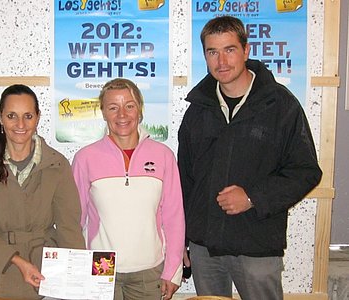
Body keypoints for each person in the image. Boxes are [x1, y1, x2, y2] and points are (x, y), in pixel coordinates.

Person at [177, 16, 322, 300]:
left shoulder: (280, 104)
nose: (221, 61)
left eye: (229, 49)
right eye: (212, 52)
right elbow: (185, 179)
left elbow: (305, 171)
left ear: (246, 50)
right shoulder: (197, 109)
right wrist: (182, 239)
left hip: (256, 246)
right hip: (206, 248)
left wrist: (253, 197)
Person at [0, 84, 85, 299]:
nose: (20, 124)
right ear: (0, 118)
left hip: (44, 277)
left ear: (38, 117)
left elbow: (68, 227)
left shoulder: (57, 165)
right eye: (11, 116)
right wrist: (15, 260)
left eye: (27, 116)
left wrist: (79, 276)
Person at [72, 78, 185, 300]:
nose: (122, 115)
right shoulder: (85, 158)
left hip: (149, 271)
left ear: (139, 109)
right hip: (101, 268)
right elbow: (75, 220)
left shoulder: (163, 156)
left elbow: (174, 218)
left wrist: (173, 270)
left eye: (129, 106)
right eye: (113, 107)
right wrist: (77, 269)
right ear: (103, 112)